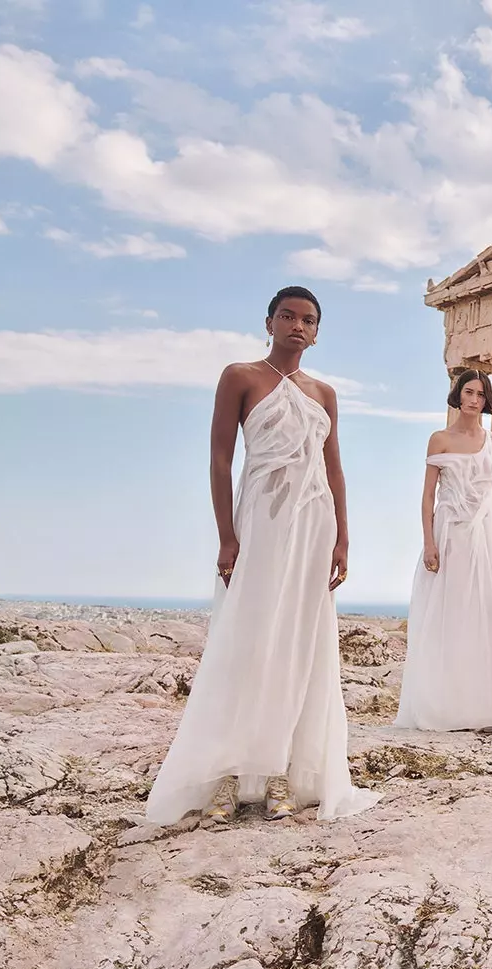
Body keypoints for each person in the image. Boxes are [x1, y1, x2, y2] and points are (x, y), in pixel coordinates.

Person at [145, 286, 380, 826]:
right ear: (270, 321)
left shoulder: (324, 392)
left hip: (313, 524)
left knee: (300, 642)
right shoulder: (239, 376)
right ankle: (229, 773)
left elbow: (334, 467)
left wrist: (343, 538)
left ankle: (280, 771)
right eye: (288, 316)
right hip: (261, 521)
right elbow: (220, 456)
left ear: (318, 332)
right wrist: (227, 535)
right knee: (246, 639)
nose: (298, 325)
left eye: (309, 320)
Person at [395, 369, 492, 732]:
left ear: (487, 400)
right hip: (450, 535)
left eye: (480, 394)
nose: (474, 399)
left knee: (490, 615)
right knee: (450, 616)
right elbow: (427, 496)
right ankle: (449, 705)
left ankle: (490, 706)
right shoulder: (438, 439)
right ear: (457, 396)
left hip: (484, 536)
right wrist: (429, 541)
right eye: (468, 392)